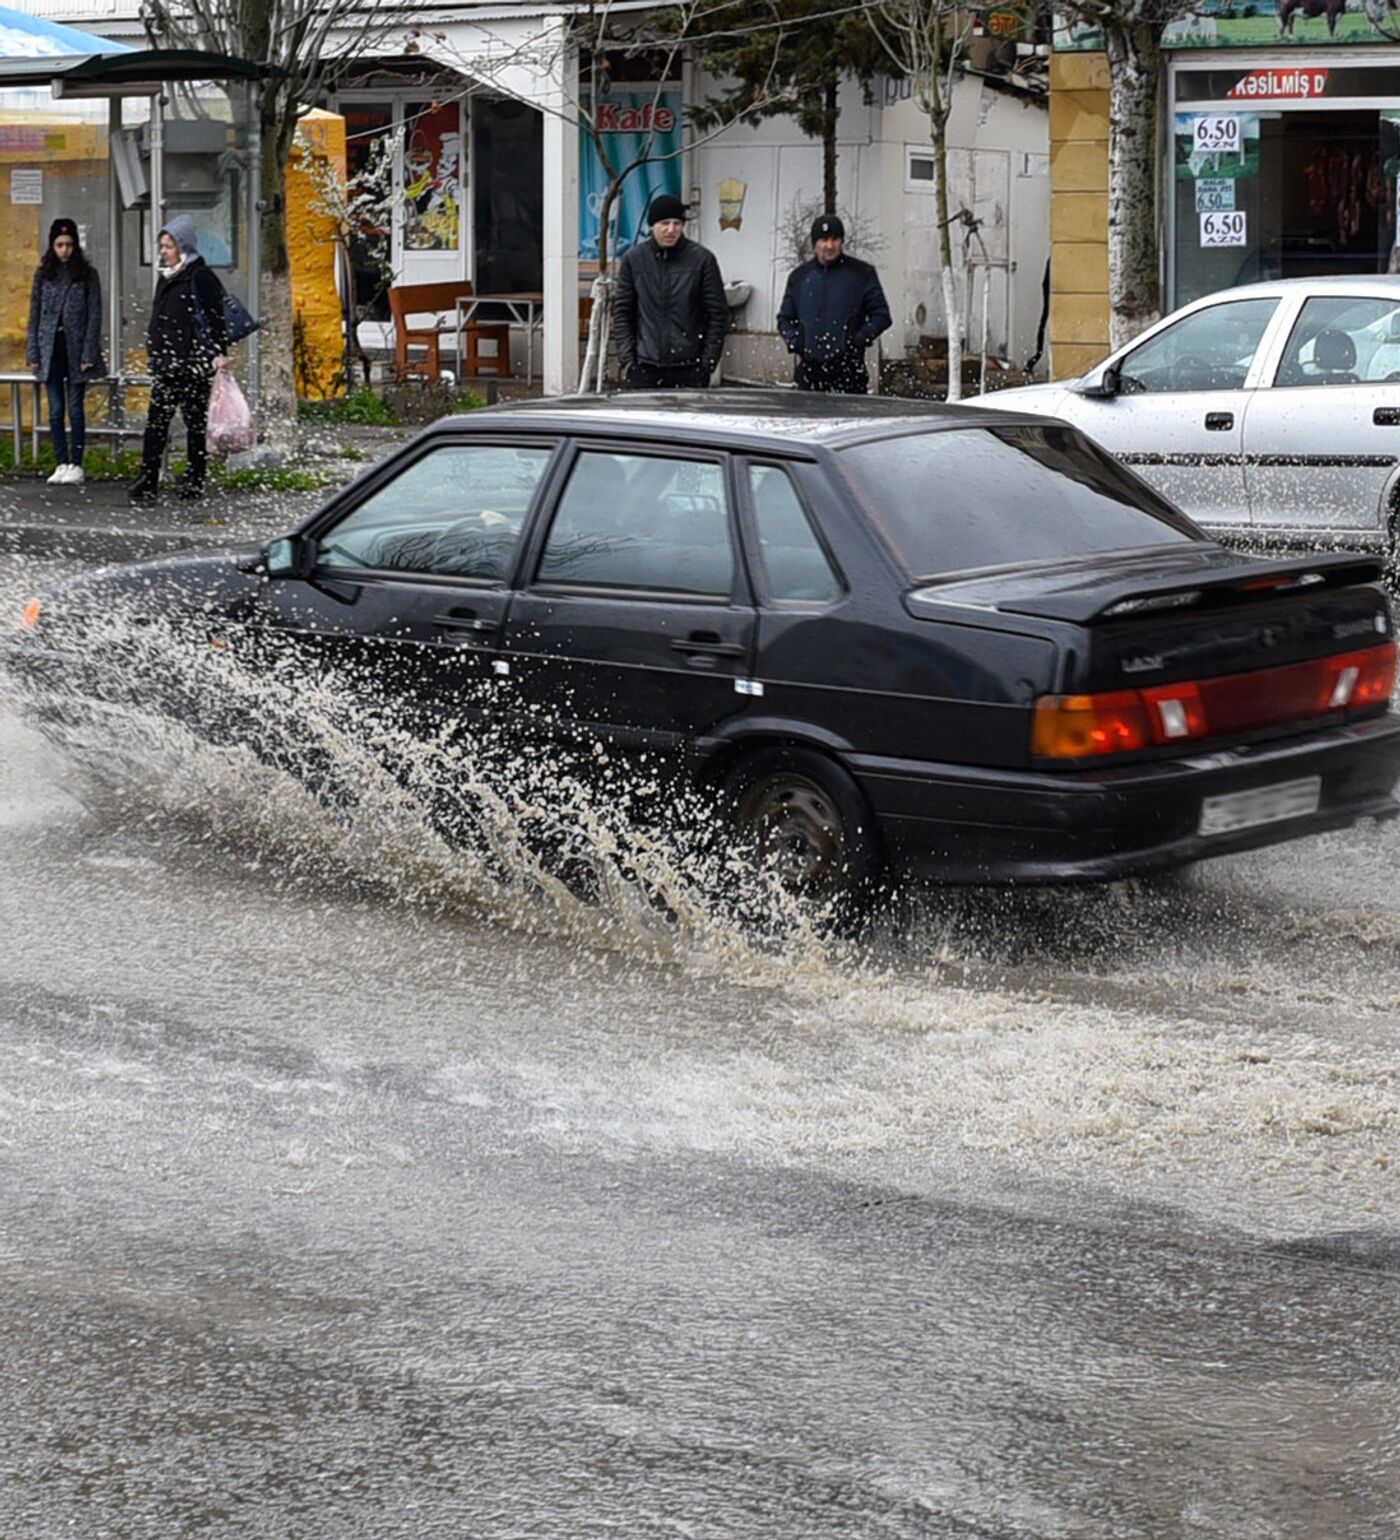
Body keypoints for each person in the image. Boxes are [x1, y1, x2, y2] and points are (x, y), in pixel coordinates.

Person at [128, 216, 230, 503]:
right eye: (162, 246)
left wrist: (219, 353)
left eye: (169, 246)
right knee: (156, 422)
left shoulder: (200, 276)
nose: (164, 251)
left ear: (183, 246)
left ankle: (194, 477)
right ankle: (148, 478)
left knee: (194, 422)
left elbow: (215, 317)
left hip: (192, 363)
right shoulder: (168, 276)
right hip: (168, 364)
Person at [614, 194, 727, 390]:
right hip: (644, 367)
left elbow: (717, 314)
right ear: (652, 225)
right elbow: (623, 312)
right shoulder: (634, 260)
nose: (671, 230)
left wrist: (707, 363)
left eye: (677, 223)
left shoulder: (702, 260)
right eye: (664, 223)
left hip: (689, 367)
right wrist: (628, 359)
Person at [27, 218, 104, 486]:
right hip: (50, 350)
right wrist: (33, 352)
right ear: (52, 245)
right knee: (56, 409)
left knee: (75, 408)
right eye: (59, 245)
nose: (64, 250)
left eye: (69, 244)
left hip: (76, 350)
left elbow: (95, 315)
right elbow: (35, 314)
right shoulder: (43, 274)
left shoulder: (86, 274)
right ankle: (61, 462)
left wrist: (88, 354)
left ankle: (77, 463)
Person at [777, 215, 892, 395]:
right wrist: (796, 340)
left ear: (842, 241)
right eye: (824, 240)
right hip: (810, 374)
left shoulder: (861, 274)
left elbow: (882, 316)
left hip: (849, 375)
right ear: (815, 243)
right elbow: (784, 319)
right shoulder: (800, 277)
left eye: (835, 239)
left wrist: (859, 339)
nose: (830, 246)